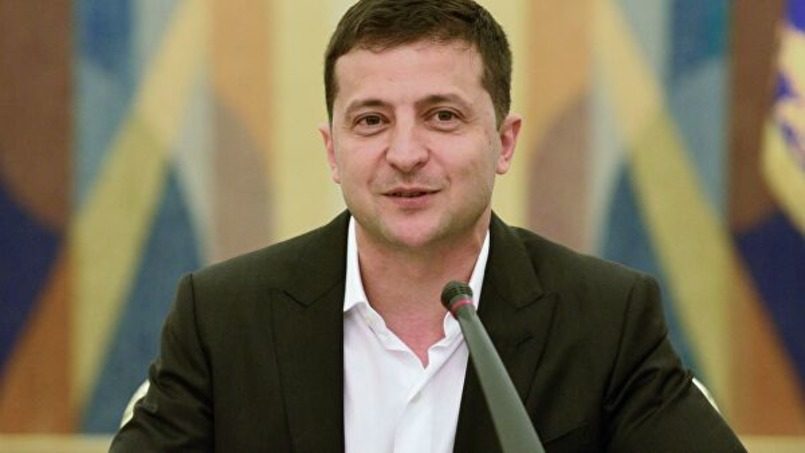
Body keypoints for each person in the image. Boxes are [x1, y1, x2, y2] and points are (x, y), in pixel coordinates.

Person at [110, 0, 746, 451]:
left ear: (503, 141)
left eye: (442, 116)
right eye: (371, 121)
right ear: (332, 151)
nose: (406, 153)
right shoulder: (223, 319)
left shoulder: (606, 321)